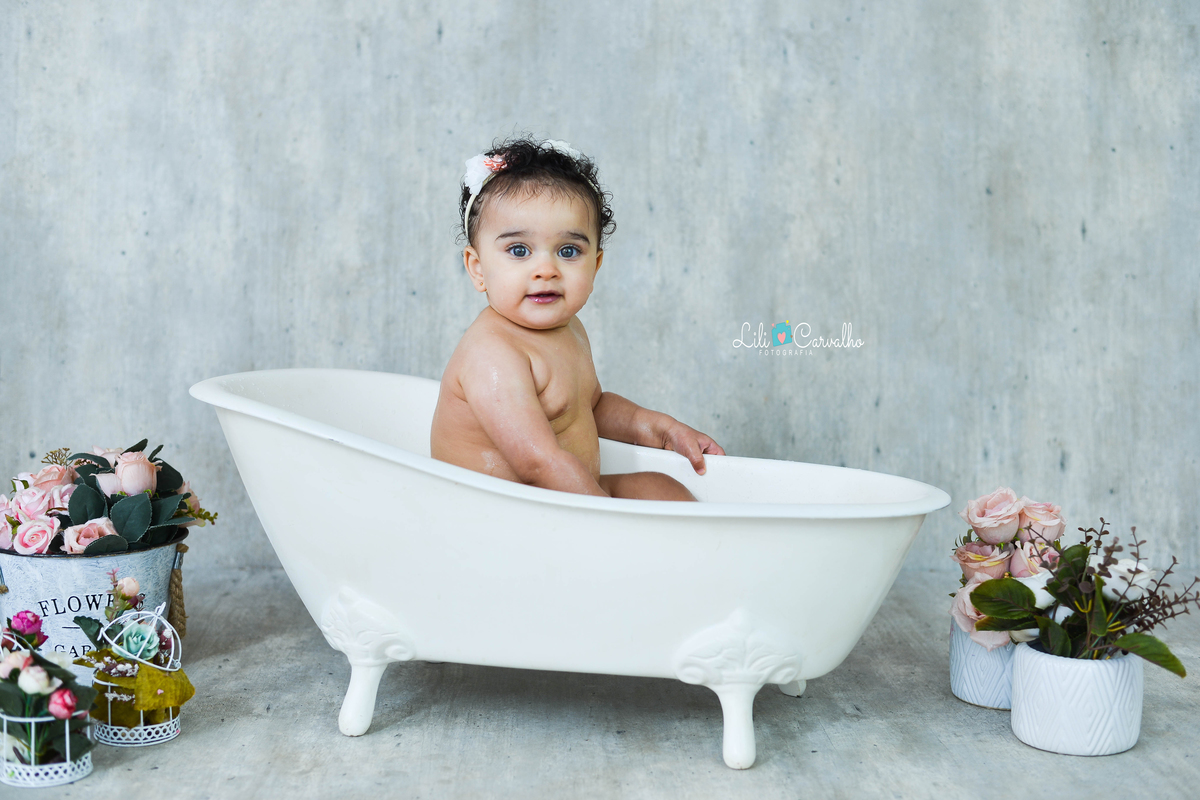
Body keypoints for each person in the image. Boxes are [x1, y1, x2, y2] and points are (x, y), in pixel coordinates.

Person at [430, 136, 724, 500]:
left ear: (595, 264)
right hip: (499, 512)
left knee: (662, 489)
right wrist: (605, 518)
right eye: (519, 250)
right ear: (477, 268)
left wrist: (659, 429)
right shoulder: (492, 354)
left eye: (568, 251)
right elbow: (537, 464)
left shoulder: (568, 330)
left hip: (564, 495)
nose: (546, 269)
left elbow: (591, 407)